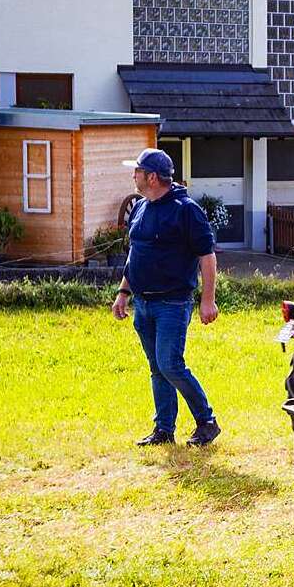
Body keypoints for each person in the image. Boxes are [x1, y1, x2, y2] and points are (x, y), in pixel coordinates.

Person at [111, 148, 222, 448]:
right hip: (143, 303)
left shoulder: (186, 210)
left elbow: (207, 256)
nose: (132, 175)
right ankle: (164, 429)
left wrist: (207, 299)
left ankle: (207, 422)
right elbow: (136, 254)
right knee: (157, 368)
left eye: (136, 170)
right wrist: (124, 292)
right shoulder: (141, 207)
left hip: (173, 303)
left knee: (170, 364)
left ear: (151, 177)